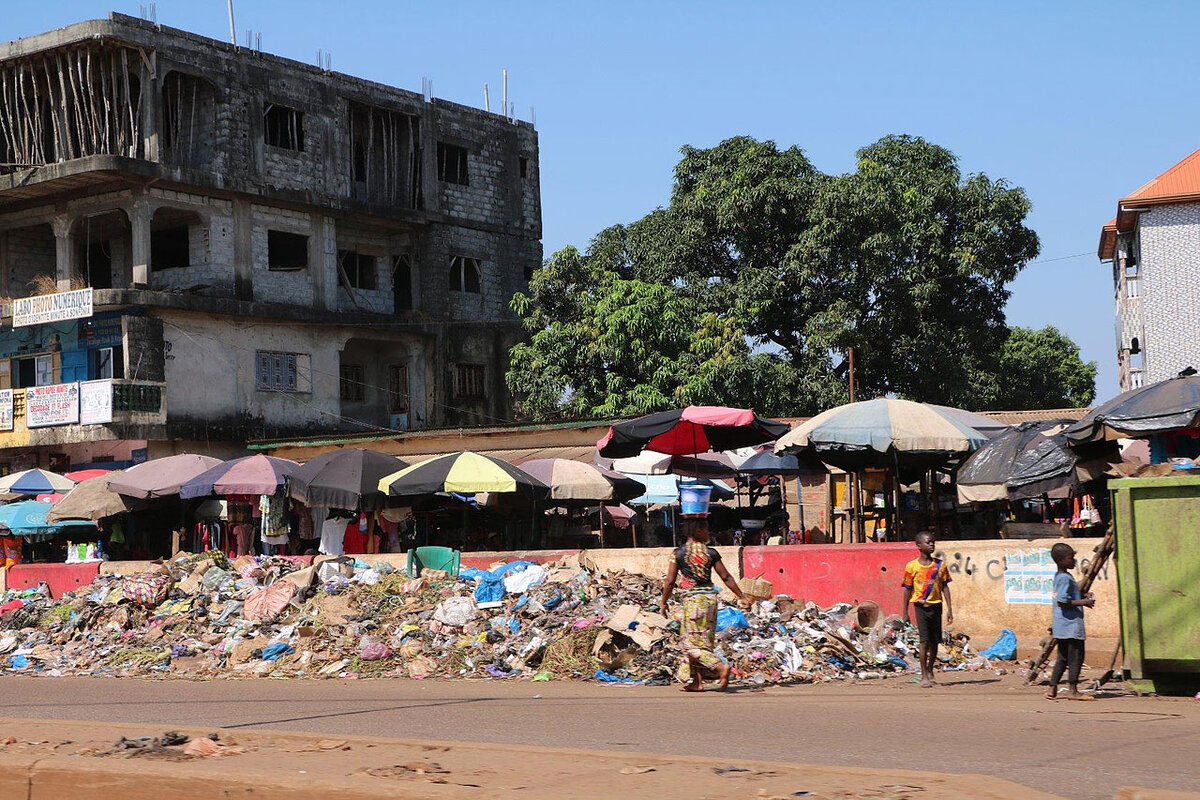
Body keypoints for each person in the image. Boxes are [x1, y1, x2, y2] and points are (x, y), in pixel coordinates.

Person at [660, 519, 750, 692]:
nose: (708, 532)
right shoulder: (711, 553)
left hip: (693, 602)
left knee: (689, 644)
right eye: (706, 529)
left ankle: (720, 668)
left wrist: (664, 602)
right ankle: (697, 682)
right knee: (703, 643)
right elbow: (726, 577)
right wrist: (741, 596)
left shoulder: (678, 554)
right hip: (710, 601)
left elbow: (670, 581)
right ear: (697, 530)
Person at [902, 531, 953, 688]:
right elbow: (907, 589)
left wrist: (950, 609)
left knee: (935, 642)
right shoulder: (912, 567)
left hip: (936, 606)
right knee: (924, 642)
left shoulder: (940, 565)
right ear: (919, 546)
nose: (931, 545)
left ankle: (931, 669)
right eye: (928, 542)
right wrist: (904, 612)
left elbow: (945, 587)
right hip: (920, 607)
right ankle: (924, 674)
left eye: (933, 542)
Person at [1046, 542, 1095, 701]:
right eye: (1070, 558)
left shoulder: (1060, 576)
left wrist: (1081, 597)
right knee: (1076, 657)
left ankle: (1052, 688)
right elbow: (1062, 601)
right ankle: (1073, 690)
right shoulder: (1065, 578)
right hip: (1070, 625)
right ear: (1061, 560)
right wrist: (1083, 603)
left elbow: (1067, 598)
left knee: (1062, 657)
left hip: (1062, 625)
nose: (1074, 561)